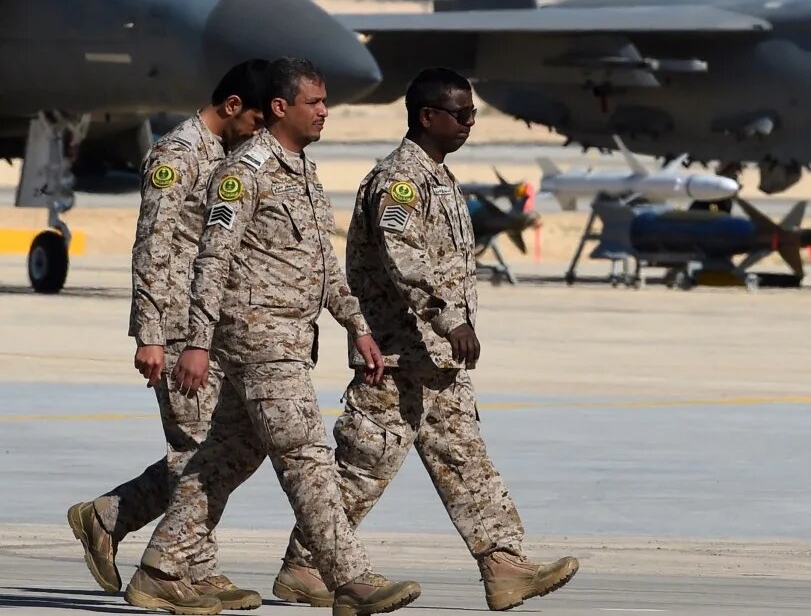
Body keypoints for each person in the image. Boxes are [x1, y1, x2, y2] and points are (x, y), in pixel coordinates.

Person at [270, 68, 578, 612]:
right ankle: (306, 565)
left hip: (435, 361)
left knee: (465, 462)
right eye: (460, 114)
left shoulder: (439, 177)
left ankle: (504, 565)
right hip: (398, 354)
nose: (469, 124)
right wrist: (447, 318)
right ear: (426, 117)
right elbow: (403, 256)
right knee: (363, 467)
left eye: (473, 114)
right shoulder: (400, 181)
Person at [124, 58, 421, 616]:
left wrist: (356, 325)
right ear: (281, 108)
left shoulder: (302, 171)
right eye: (316, 102)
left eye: (326, 102)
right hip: (258, 341)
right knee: (306, 455)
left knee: (226, 455)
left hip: (289, 339)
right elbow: (211, 257)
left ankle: (161, 569)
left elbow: (321, 262)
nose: (325, 112)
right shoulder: (245, 173)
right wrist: (195, 341)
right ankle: (350, 579)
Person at [67, 59, 271, 609]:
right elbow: (152, 246)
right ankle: (184, 568)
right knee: (197, 450)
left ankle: (112, 517)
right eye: (255, 120)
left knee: (231, 445)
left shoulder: (230, 157)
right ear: (232, 107)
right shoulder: (177, 155)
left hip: (213, 325)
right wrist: (150, 333)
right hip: (178, 326)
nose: (258, 133)